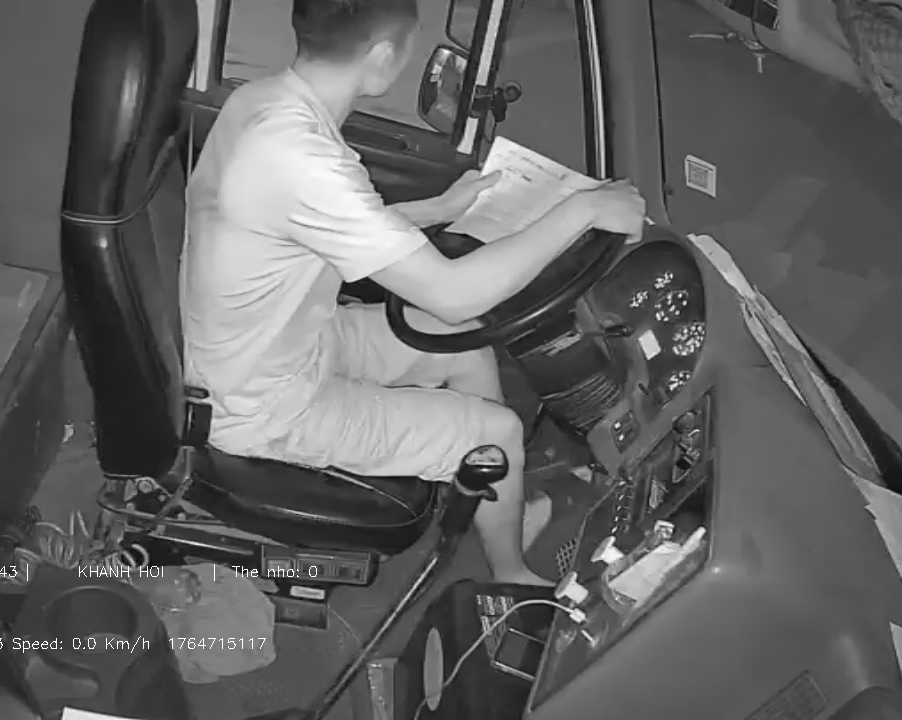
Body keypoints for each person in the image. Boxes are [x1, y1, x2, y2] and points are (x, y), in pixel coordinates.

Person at [181, 0, 646, 585]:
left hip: (279, 342)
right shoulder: (300, 156)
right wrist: (583, 210)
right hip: (261, 404)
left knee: (459, 343)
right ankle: (511, 574)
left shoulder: (265, 103)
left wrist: (437, 208)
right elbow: (455, 293)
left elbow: (324, 222)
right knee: (496, 431)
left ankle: (491, 494)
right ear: (382, 56)